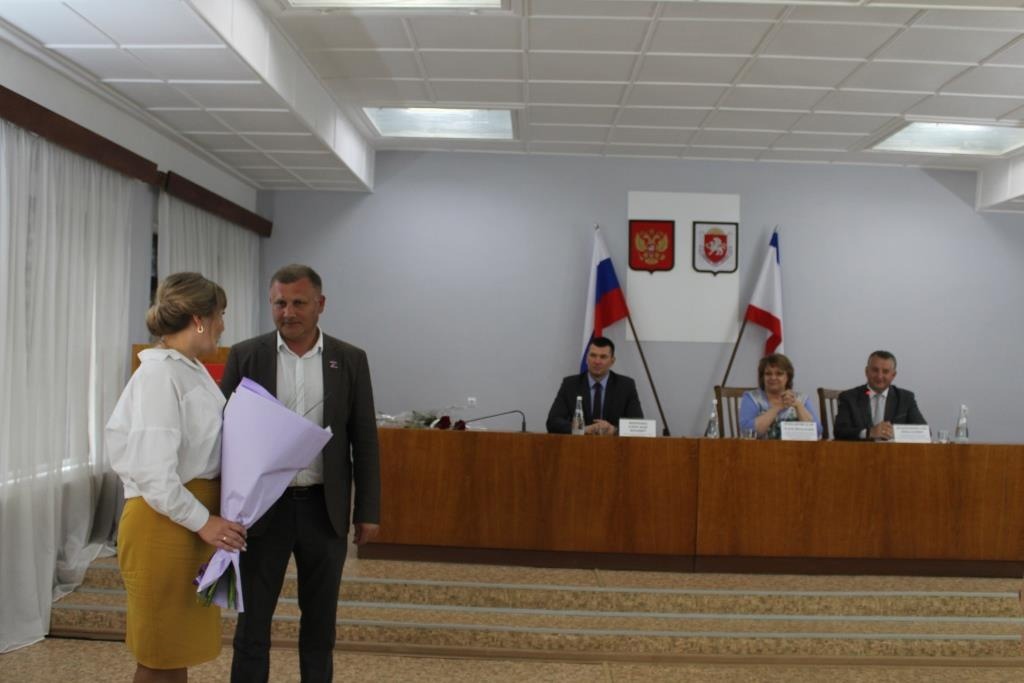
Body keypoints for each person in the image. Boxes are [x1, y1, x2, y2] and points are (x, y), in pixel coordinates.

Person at [222, 264, 380, 683]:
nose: (288, 312)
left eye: (298, 303)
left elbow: (364, 439)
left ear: (320, 304)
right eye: (280, 303)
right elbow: (223, 436)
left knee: (320, 626)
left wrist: (368, 510)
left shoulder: (350, 360)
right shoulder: (246, 355)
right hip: (261, 512)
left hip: (323, 511)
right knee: (252, 624)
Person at [106, 273, 247, 683]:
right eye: (220, 314)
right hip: (164, 525)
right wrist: (205, 522)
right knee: (159, 654)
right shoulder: (159, 376)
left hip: (186, 524)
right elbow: (154, 474)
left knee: (175, 652)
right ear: (199, 319)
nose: (223, 324)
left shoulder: (189, 369)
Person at [546, 337, 643, 435]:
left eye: (603, 357)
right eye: (593, 355)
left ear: (612, 361)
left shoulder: (626, 386)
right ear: (587, 358)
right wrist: (583, 429)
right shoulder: (570, 385)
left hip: (613, 444)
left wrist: (614, 430)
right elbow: (552, 422)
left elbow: (638, 425)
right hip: (578, 444)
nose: (597, 361)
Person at [833, 350, 926, 441]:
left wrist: (896, 433)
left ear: (893, 375)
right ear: (866, 371)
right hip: (860, 450)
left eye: (885, 371)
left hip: (894, 450)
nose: (879, 376)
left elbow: (925, 433)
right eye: (875, 370)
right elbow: (839, 431)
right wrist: (868, 433)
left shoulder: (906, 398)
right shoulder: (849, 397)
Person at [739, 353, 821, 439]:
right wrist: (778, 406)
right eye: (768, 374)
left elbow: (817, 432)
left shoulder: (802, 399)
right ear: (762, 377)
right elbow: (747, 431)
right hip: (760, 447)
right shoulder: (751, 398)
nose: (773, 377)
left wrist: (798, 405)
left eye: (779, 374)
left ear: (788, 377)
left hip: (796, 447)